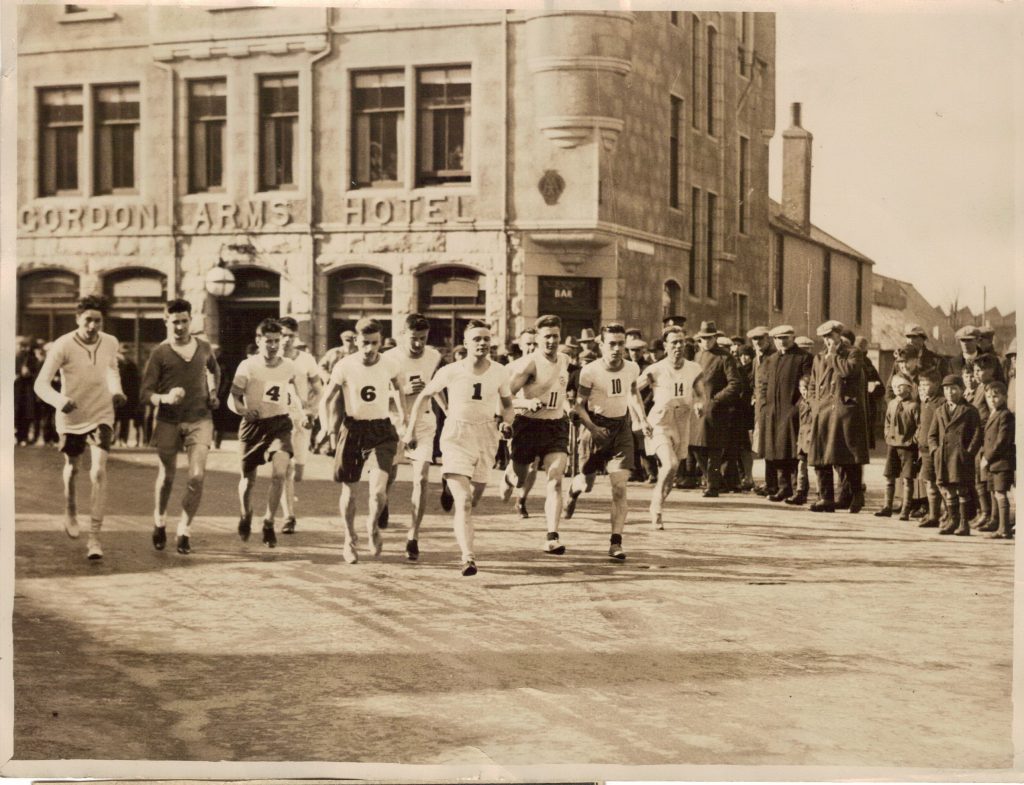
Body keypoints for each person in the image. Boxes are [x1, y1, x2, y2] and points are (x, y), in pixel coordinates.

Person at [403, 320, 514, 575]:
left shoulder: (499, 371)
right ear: (466, 343)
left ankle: (449, 489)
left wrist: (507, 422)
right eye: (477, 339)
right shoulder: (451, 370)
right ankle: (468, 557)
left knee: (472, 499)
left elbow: (508, 404)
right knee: (464, 502)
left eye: (486, 339)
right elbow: (424, 396)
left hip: (486, 437)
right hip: (456, 435)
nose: (482, 343)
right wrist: (410, 430)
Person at [33, 295, 126, 560]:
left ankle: (95, 538)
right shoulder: (63, 345)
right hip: (72, 416)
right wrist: (60, 401)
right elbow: (41, 384)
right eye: (88, 320)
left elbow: (112, 369)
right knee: (73, 467)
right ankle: (71, 508)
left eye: (98, 321)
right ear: (78, 319)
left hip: (101, 413)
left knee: (98, 471)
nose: (93, 326)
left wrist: (116, 391)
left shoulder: (110, 342)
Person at [140, 298, 222, 554]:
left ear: (190, 321)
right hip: (168, 421)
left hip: (200, 419)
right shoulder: (159, 353)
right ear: (166, 322)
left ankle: (185, 529)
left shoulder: (204, 347)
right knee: (168, 476)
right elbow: (145, 393)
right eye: (174, 322)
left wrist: (213, 392)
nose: (180, 327)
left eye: (184, 321)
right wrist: (164, 398)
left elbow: (214, 371)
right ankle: (160, 520)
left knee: (197, 477)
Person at [564, 323, 652, 559]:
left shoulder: (632, 368)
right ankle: (573, 491)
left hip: (621, 430)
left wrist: (641, 420)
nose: (616, 349)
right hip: (595, 428)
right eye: (611, 344)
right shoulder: (589, 371)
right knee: (587, 483)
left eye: (620, 344)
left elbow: (633, 393)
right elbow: (579, 406)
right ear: (601, 345)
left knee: (620, 487)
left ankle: (616, 542)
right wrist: (592, 428)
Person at [322, 317, 404, 564]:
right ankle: (349, 538)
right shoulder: (344, 366)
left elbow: (399, 389)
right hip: (354, 429)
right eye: (365, 343)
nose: (369, 349)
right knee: (350, 489)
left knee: (378, 492)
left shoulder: (390, 364)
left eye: (375, 343)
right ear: (356, 341)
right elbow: (326, 400)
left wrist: (404, 419)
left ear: (381, 341)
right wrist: (329, 430)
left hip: (381, 429)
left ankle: (372, 526)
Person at [230, 318, 301, 549]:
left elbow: (293, 394)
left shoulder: (289, 366)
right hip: (253, 427)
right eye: (268, 341)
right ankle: (245, 513)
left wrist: (302, 413)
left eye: (276, 341)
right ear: (258, 341)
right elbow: (234, 397)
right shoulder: (247, 366)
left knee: (280, 473)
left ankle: (269, 522)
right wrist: (243, 411)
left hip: (279, 425)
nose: (273, 346)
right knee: (247, 479)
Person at [505, 315, 573, 555]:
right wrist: (526, 402)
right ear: (538, 338)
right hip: (528, 427)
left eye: (555, 336)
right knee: (520, 479)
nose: (551, 341)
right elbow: (505, 397)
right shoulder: (529, 365)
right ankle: (509, 478)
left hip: (555, 427)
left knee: (555, 478)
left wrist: (568, 406)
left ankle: (552, 536)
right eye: (547, 337)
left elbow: (561, 391)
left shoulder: (565, 360)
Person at [383, 313, 442, 561]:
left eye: (422, 339)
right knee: (391, 474)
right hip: (394, 421)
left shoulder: (434, 356)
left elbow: (438, 387)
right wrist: (403, 390)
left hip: (424, 421)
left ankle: (413, 536)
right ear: (402, 336)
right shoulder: (388, 359)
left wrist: (449, 411)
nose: (418, 344)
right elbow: (375, 395)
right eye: (414, 339)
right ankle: (383, 501)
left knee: (421, 477)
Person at [637, 326, 705, 529]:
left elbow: (701, 394)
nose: (678, 346)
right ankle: (656, 508)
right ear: (665, 346)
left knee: (671, 472)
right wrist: (640, 418)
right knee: (670, 464)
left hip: (682, 421)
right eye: (673, 342)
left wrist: (700, 404)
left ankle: (657, 503)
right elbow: (633, 390)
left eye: (681, 342)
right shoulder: (655, 369)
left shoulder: (694, 368)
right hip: (660, 421)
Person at [807, 320, 869, 513]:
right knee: (820, 456)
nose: (828, 341)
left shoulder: (853, 352)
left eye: (831, 336)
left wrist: (833, 356)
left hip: (843, 412)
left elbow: (848, 371)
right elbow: (812, 384)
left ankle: (856, 495)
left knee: (847, 456)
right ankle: (826, 498)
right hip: (822, 412)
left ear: (839, 335)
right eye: (825, 337)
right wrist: (814, 404)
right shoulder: (818, 358)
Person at [277, 317, 322, 534]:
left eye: (290, 336)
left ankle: (289, 494)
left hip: (301, 420)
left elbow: (319, 388)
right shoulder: (271, 359)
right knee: (287, 467)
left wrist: (311, 411)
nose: (286, 340)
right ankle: (289, 516)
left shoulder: (306, 360)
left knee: (298, 472)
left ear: (296, 337)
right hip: (278, 419)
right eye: (282, 335)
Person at [758, 325, 814, 503]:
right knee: (777, 450)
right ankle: (784, 488)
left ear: (793, 337)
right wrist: (765, 406)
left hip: (792, 411)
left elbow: (808, 383)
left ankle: (799, 489)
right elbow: (763, 385)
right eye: (778, 338)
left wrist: (796, 408)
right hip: (773, 412)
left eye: (785, 338)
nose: (782, 341)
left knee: (794, 453)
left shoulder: (804, 358)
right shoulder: (771, 359)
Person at [691, 320, 740, 498]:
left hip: (715, 409)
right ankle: (714, 479)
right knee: (696, 447)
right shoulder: (697, 357)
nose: (706, 342)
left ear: (715, 338)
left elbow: (735, 383)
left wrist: (716, 400)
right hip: (697, 408)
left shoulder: (725, 357)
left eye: (710, 338)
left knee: (714, 448)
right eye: (703, 339)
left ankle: (713, 485)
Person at [927, 374, 982, 537]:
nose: (950, 392)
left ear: (962, 390)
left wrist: (969, 452)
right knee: (948, 490)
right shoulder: (939, 410)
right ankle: (953, 520)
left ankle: (964, 524)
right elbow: (932, 435)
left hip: (960, 458)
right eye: (946, 389)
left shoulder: (970, 410)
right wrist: (935, 451)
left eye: (954, 389)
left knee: (962, 489)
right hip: (943, 457)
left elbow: (978, 434)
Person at [502, 328, 540, 518]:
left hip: (540, 420)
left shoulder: (546, 366)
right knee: (519, 464)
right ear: (520, 345)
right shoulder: (512, 368)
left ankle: (521, 501)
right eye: (528, 344)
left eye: (535, 343)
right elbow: (504, 398)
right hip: (517, 419)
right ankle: (509, 478)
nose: (532, 347)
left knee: (534, 465)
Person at [874, 374, 920, 521]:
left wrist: (913, 440)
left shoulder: (914, 406)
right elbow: (887, 421)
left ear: (909, 387)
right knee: (889, 476)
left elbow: (920, 426)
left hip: (907, 447)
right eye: (894, 386)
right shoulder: (892, 404)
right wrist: (888, 435)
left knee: (907, 479)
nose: (897, 389)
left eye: (900, 385)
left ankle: (905, 509)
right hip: (893, 445)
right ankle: (887, 506)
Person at [980, 381, 1014, 539]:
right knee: (994, 492)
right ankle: (1000, 526)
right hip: (993, 463)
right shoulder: (993, 413)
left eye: (995, 396)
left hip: (1001, 462)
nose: (992, 400)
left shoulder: (1005, 415)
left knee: (1000, 494)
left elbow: (1002, 441)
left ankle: (1004, 529)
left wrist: (987, 458)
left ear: (1004, 397)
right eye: (988, 396)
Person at [914, 370, 945, 529]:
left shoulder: (940, 402)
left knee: (938, 482)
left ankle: (942, 514)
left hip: (935, 448)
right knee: (928, 481)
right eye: (922, 384)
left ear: (937, 384)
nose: (924, 387)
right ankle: (933, 514)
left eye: (927, 384)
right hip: (924, 447)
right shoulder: (924, 401)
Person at [790, 374, 814, 506]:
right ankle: (800, 492)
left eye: (806, 388)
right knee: (801, 466)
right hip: (803, 438)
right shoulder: (801, 403)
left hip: (812, 439)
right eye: (801, 388)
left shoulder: (814, 403)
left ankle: (820, 493)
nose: (803, 391)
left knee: (816, 467)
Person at [15, 336, 40, 446]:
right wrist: (19, 373)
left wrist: (29, 373)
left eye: (25, 347)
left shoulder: (32, 359)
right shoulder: (15, 357)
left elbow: (37, 373)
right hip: (17, 389)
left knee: (26, 413)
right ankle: (17, 436)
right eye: (21, 346)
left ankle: (23, 436)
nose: (23, 349)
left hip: (28, 390)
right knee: (16, 412)